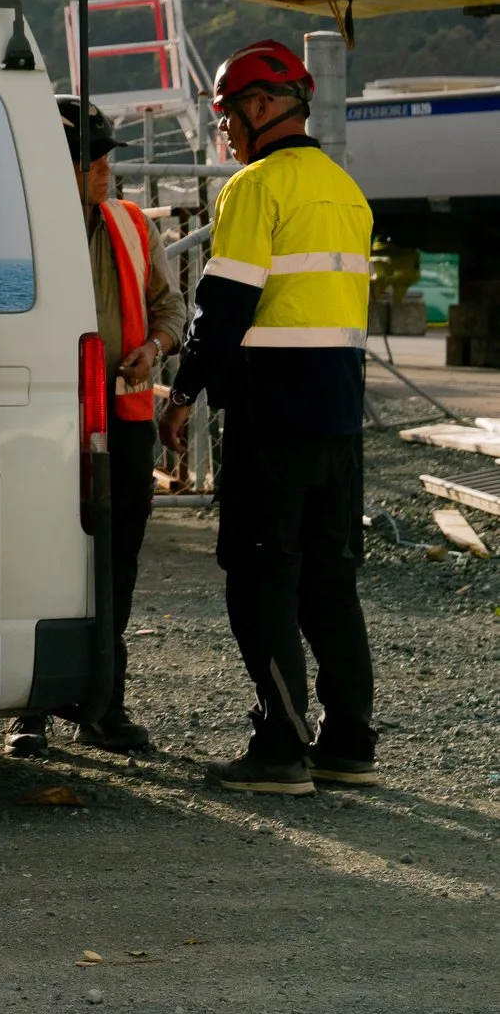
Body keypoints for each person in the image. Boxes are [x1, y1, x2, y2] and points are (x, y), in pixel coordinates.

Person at [159, 40, 377, 796]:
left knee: (260, 575)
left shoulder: (255, 187)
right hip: (339, 412)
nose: (225, 132)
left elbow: (223, 310)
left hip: (273, 412)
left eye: (226, 116)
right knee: (329, 580)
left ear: (260, 107)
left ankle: (281, 746)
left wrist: (181, 394)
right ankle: (348, 743)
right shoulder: (346, 190)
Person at [6, 98, 184, 758]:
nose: (107, 169)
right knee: (39, 555)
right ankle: (30, 707)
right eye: (93, 159)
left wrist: (155, 347)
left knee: (117, 563)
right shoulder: (18, 231)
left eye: (108, 157)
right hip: (44, 421)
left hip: (123, 419)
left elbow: (169, 307)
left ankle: (103, 703)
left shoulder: (131, 225)